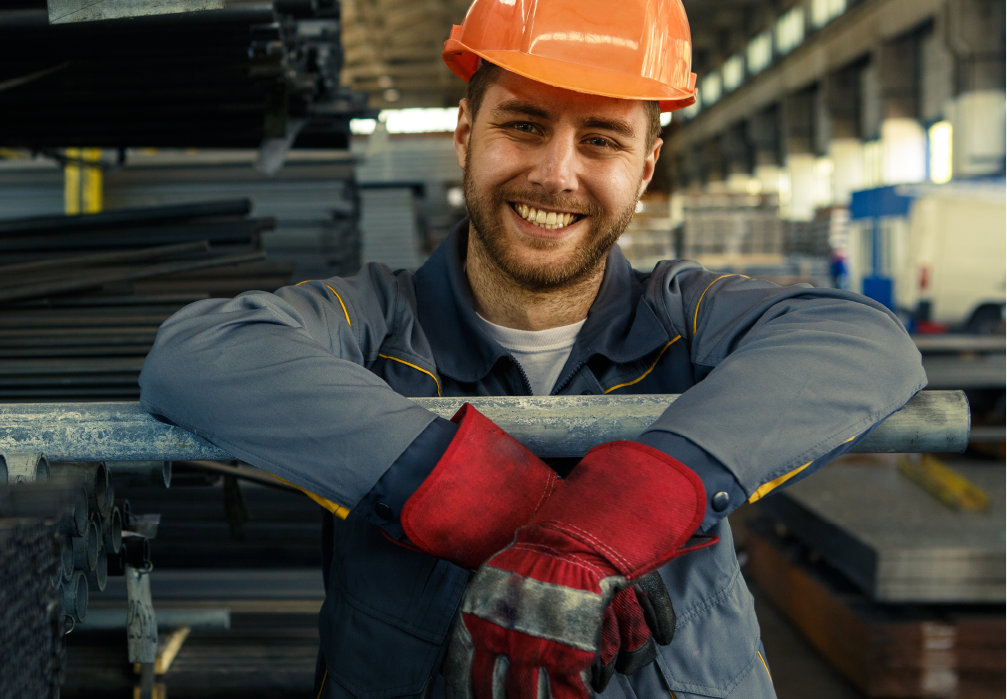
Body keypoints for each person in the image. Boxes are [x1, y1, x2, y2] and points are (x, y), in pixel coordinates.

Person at [139, 1, 926, 697]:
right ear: (464, 133)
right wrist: (513, 516)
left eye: (602, 140)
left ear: (645, 168)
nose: (556, 174)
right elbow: (198, 351)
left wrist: (632, 508)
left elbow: (866, 342)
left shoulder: (688, 314)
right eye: (523, 125)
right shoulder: (378, 317)